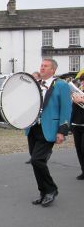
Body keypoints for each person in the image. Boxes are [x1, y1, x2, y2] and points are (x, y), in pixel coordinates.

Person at [26, 59, 71, 207]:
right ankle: (43, 192)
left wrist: (62, 131)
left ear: (53, 70)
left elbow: (66, 109)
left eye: (45, 66)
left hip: (50, 128)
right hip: (33, 128)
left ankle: (51, 189)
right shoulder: (35, 85)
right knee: (36, 162)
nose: (42, 68)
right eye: (41, 66)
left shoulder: (61, 85)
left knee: (37, 160)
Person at [71, 74, 84, 180]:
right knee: (79, 149)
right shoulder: (78, 92)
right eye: (82, 81)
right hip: (76, 123)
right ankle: (83, 171)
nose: (82, 83)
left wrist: (82, 100)